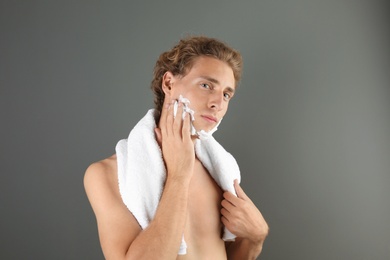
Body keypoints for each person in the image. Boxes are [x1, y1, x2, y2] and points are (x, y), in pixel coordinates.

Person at [84, 36, 269, 259]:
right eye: (206, 85)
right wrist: (178, 177)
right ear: (169, 83)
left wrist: (256, 239)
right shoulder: (108, 174)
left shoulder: (222, 173)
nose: (218, 104)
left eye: (226, 94)